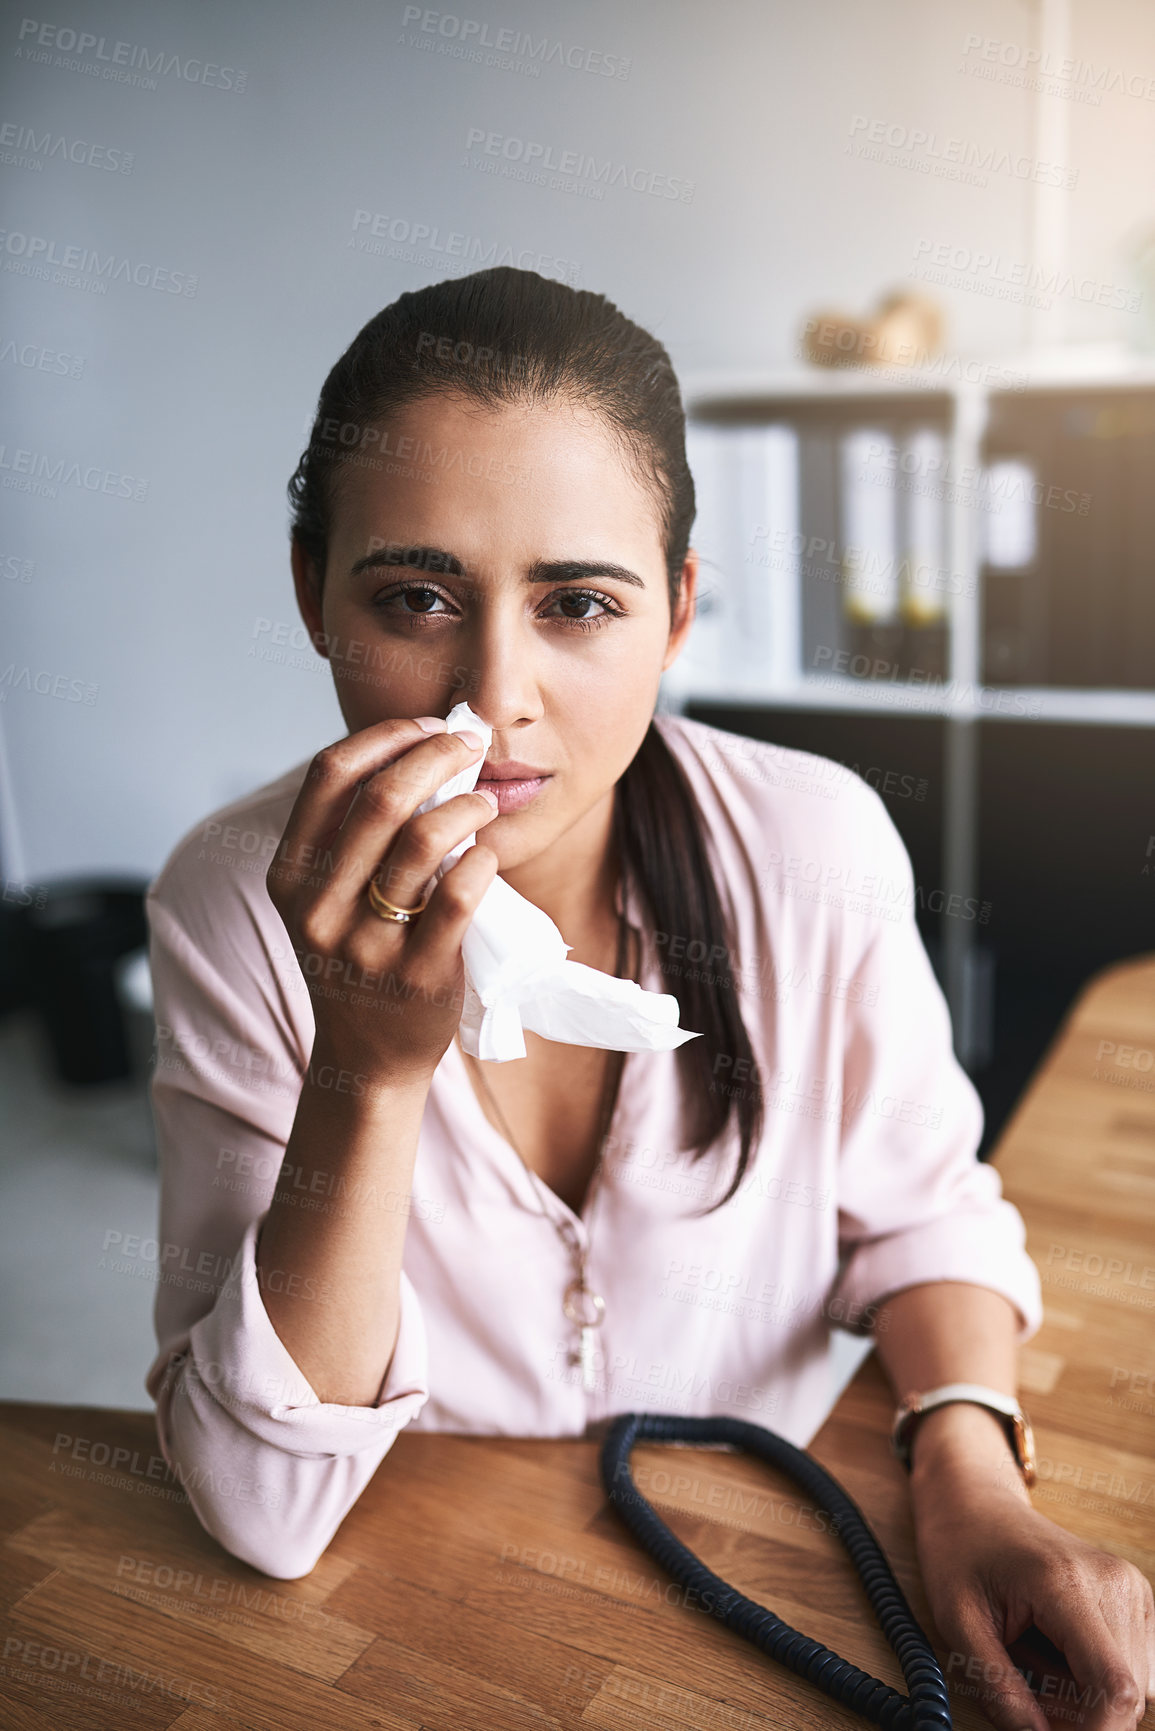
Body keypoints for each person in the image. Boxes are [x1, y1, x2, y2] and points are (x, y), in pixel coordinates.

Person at [145, 267, 1152, 1730]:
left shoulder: (816, 843)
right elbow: (259, 1509)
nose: (495, 701)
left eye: (578, 604)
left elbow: (924, 1214)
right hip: (438, 1622)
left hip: (778, 1568)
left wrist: (971, 1482)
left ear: (677, 613)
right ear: (313, 596)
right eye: (416, 596)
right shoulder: (229, 903)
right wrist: (364, 1070)